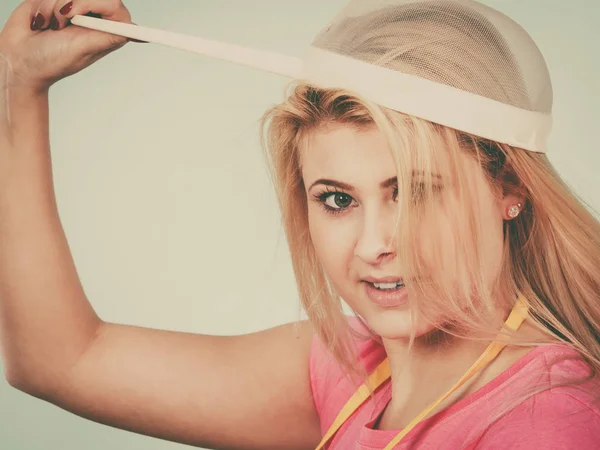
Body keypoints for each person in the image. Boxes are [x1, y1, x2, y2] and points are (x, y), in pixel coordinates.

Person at [0, 1, 599, 449]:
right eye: (338, 200)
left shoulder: (546, 424)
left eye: (416, 192)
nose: (374, 245)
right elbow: (61, 360)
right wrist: (17, 84)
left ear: (509, 190)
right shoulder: (350, 367)